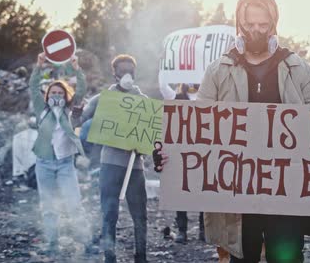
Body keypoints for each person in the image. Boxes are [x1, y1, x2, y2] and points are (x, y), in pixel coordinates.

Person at [154, 0, 310, 263]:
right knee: (240, 257)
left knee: (286, 258)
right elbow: (197, 128)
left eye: (263, 25)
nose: (256, 31)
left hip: (287, 195)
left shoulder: (298, 68)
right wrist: (169, 155)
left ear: (274, 26)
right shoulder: (218, 70)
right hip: (237, 197)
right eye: (250, 25)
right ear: (239, 25)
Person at [74, 54, 148, 263]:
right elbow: (79, 121)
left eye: (130, 71)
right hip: (110, 165)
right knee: (109, 213)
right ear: (114, 74)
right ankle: (110, 257)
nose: (127, 75)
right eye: (122, 71)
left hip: (135, 166)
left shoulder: (144, 102)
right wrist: (75, 114)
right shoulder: (102, 99)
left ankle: (141, 257)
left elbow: (154, 133)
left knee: (140, 215)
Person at [29, 52, 94, 255]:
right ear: (47, 97)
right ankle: (52, 243)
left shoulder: (69, 110)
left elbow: (82, 90)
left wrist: (77, 69)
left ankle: (86, 241)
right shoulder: (41, 110)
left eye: (59, 93)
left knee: (74, 205)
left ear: (65, 96)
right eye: (52, 93)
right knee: (48, 207)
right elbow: (33, 88)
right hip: (44, 164)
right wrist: (38, 67)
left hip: (65, 164)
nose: (56, 96)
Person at [157, 71, 204, 243]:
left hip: (202, 150)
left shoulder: (207, 97)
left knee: (202, 189)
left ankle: (203, 230)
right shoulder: (174, 96)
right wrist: (164, 63)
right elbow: (162, 85)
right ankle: (182, 230)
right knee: (181, 190)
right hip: (180, 151)